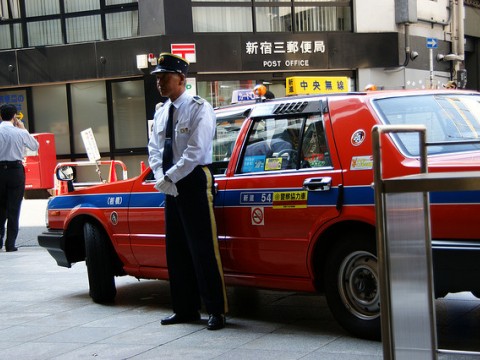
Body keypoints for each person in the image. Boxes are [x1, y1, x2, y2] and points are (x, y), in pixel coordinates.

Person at [148, 53, 228, 330]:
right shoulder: (160, 112)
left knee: (202, 248)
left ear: (182, 79)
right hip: (169, 183)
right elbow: (154, 150)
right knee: (177, 249)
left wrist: (169, 176)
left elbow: (195, 150)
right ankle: (184, 308)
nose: (160, 83)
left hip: (193, 179)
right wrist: (161, 175)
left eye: (165, 77)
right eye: (157, 78)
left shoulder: (199, 108)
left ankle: (215, 310)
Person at [0, 104, 39, 252]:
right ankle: (10, 244)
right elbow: (35, 146)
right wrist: (23, 128)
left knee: (0, 207)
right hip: (15, 171)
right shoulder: (19, 132)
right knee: (14, 208)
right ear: (15, 116)